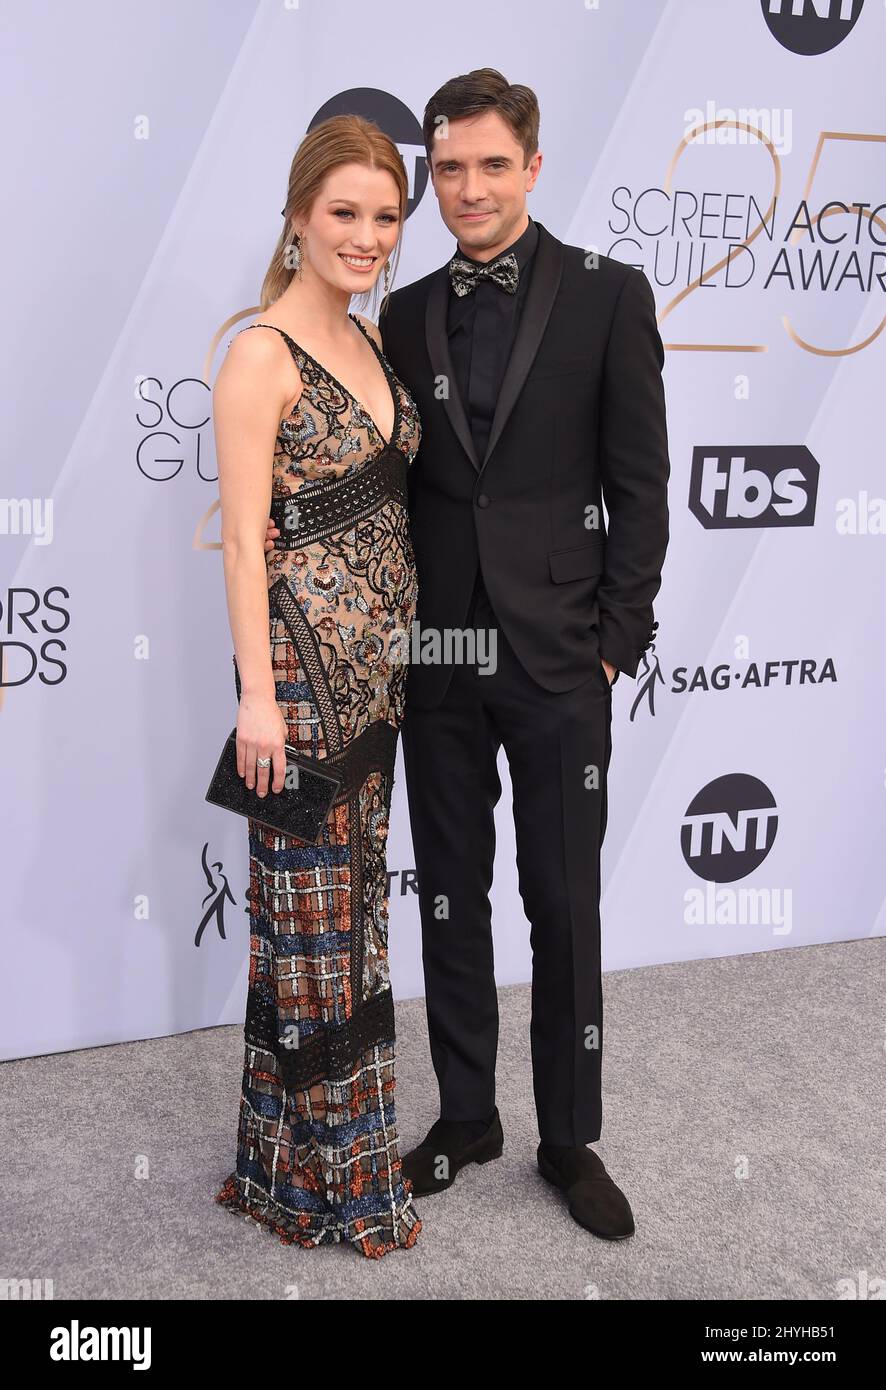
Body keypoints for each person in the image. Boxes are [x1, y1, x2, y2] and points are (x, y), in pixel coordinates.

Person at [266, 69, 670, 1242]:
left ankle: (567, 1137)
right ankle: (468, 1116)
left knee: (564, 906)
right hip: (435, 649)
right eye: (448, 169)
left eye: (494, 166)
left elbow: (640, 490)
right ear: (427, 174)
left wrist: (612, 645)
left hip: (558, 657)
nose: (470, 188)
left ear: (533, 169)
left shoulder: (607, 295)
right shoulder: (399, 310)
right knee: (448, 897)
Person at [213, 114, 422, 1258]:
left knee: (352, 929)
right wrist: (255, 698)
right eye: (342, 212)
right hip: (293, 689)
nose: (365, 235)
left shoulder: (373, 338)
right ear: (297, 217)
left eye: (384, 216)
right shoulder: (261, 353)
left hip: (380, 684)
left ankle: (293, 1162)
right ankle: (323, 1186)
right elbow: (245, 544)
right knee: (307, 931)